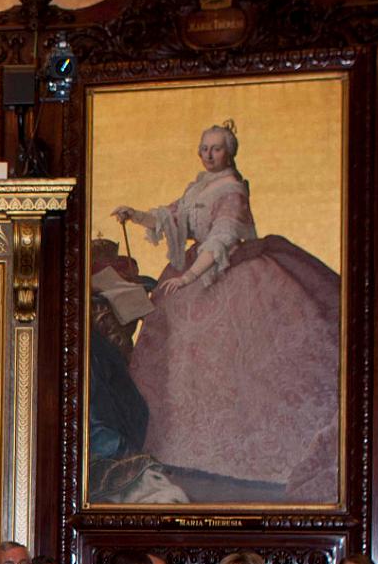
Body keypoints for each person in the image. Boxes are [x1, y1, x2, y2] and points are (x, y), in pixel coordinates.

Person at [110, 122, 341, 502]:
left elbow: (220, 238)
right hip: (195, 271)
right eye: (204, 147)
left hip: (231, 272)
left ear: (229, 152)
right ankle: (177, 450)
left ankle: (237, 458)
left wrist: (188, 278)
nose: (208, 154)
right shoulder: (199, 187)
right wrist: (134, 215)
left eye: (216, 148)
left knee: (237, 360)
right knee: (182, 360)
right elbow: (172, 216)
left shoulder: (231, 190)